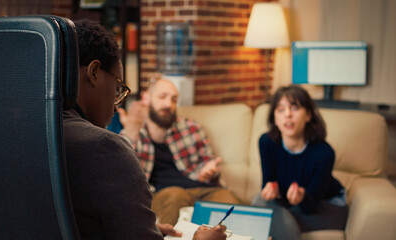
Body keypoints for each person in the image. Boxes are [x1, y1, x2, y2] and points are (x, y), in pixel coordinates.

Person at [63, 18, 227, 240]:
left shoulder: (26, 133)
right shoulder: (105, 147)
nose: (116, 102)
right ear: (93, 72)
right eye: (118, 87)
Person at [118, 78, 240, 225]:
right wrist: (132, 132)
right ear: (147, 98)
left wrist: (209, 170)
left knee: (228, 199)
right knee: (176, 194)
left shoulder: (191, 127)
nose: (168, 104)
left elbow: (206, 161)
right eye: (162, 97)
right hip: (162, 193)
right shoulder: (134, 131)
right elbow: (123, 173)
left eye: (174, 99)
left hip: (201, 189)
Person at [251, 85, 349, 240]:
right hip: (290, 205)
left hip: (326, 206)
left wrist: (302, 196)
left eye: (295, 108)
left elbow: (312, 206)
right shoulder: (266, 143)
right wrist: (271, 190)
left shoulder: (324, 153)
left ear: (308, 115)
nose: (288, 115)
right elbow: (268, 184)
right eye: (281, 110)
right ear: (274, 118)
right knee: (260, 201)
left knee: (265, 217)